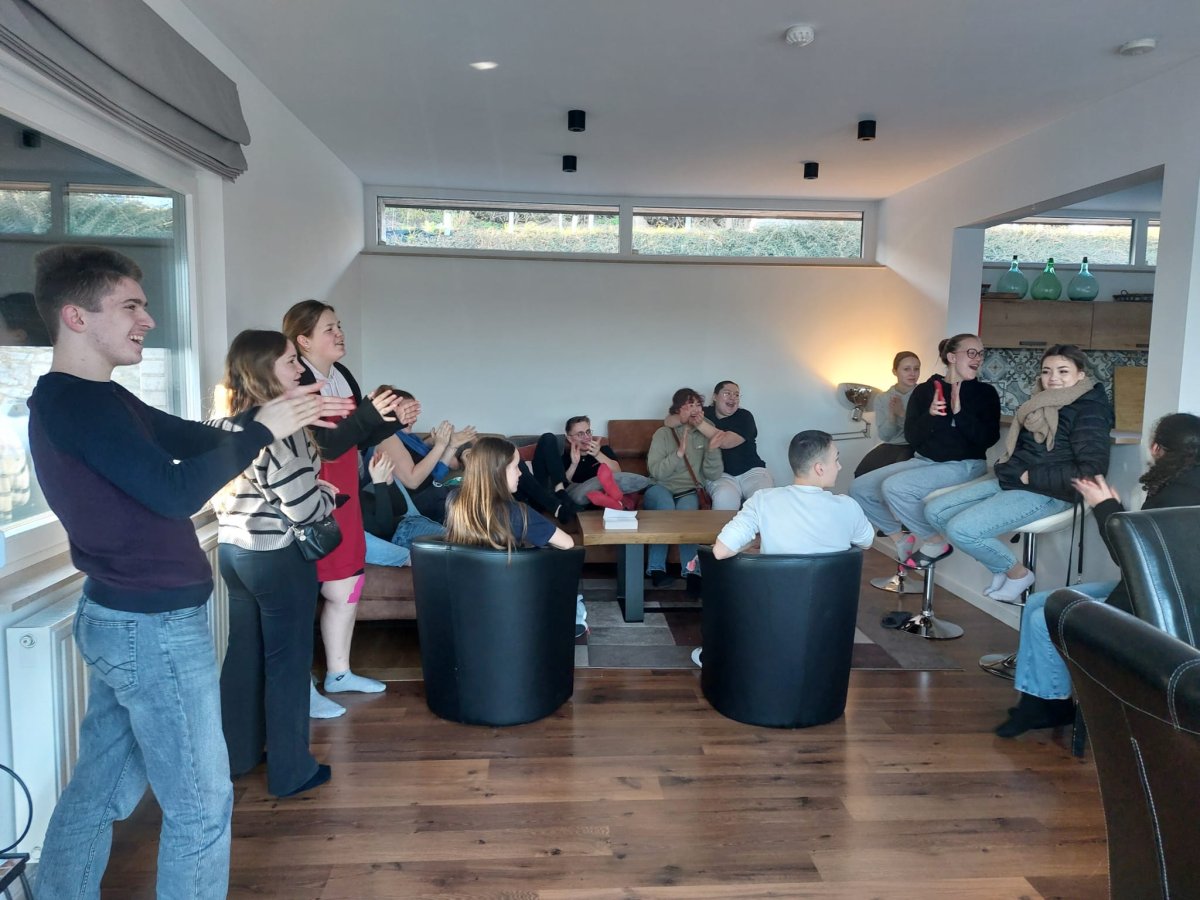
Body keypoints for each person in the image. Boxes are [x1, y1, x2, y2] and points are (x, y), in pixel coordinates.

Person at [28, 245, 340, 898]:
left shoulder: (97, 398)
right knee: (200, 807)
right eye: (130, 306)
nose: (147, 320)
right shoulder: (78, 405)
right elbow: (174, 494)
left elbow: (196, 439)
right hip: (151, 629)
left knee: (99, 790)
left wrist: (272, 415)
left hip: (127, 619)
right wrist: (265, 429)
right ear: (76, 316)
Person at [995, 412, 1200, 738]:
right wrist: (1112, 507)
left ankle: (1046, 706)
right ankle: (1045, 703)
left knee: (1043, 617)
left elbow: (1131, 558)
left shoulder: (1175, 495)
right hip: (1153, 592)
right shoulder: (1181, 484)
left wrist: (1106, 506)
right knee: (1039, 602)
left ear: (1156, 448)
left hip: (1155, 609)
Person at [210, 330, 349, 797]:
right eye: (290, 361)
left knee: (243, 656)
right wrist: (325, 497)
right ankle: (292, 771)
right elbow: (304, 510)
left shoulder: (223, 422)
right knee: (288, 665)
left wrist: (310, 490)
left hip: (233, 552)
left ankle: (238, 755)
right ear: (263, 370)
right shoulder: (281, 430)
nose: (299, 369)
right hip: (277, 557)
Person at [283, 299, 419, 719]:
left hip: (346, 496)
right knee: (306, 592)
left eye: (339, 325)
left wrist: (393, 420)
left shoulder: (342, 375)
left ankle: (339, 673)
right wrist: (369, 415)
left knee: (348, 586)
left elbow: (358, 439)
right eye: (329, 328)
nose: (339, 333)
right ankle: (299, 687)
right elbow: (323, 445)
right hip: (312, 499)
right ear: (304, 340)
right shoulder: (298, 381)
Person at [925, 345, 1112, 602]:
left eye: (1063, 371)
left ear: (1080, 375)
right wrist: (1011, 470)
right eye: (1046, 371)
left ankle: (1018, 574)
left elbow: (1092, 471)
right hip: (1017, 480)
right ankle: (1001, 567)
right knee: (934, 511)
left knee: (962, 530)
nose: (1053, 378)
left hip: (1052, 492)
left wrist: (1030, 476)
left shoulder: (1090, 410)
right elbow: (1024, 451)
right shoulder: (1037, 403)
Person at [688, 431, 874, 667]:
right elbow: (866, 542)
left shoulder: (764, 500)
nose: (839, 466)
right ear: (819, 468)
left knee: (723, 571)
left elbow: (721, 551)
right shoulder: (849, 507)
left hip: (774, 614)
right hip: (828, 617)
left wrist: (755, 541)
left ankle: (723, 653)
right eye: (836, 459)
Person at [849, 333, 1001, 568]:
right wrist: (931, 416)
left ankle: (934, 541)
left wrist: (960, 413)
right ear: (952, 357)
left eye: (981, 353)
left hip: (966, 464)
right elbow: (913, 437)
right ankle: (900, 538)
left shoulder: (985, 393)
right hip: (923, 460)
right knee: (859, 488)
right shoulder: (924, 391)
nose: (978, 358)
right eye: (972, 352)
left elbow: (988, 439)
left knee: (895, 487)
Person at [645, 387, 724, 594]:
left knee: (687, 514)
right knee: (665, 506)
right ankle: (656, 569)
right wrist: (678, 454)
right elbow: (656, 472)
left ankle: (692, 572)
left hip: (688, 489)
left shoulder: (706, 432)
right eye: (690, 405)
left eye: (698, 405)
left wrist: (712, 450)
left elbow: (713, 474)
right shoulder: (663, 433)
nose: (695, 409)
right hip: (659, 487)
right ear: (678, 409)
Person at [445, 435, 574, 551]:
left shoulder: (454, 499)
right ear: (499, 471)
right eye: (516, 466)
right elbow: (567, 543)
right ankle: (556, 504)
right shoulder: (517, 513)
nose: (520, 473)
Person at [664, 381, 773, 510]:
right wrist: (687, 417)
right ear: (715, 397)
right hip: (720, 474)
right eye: (727, 393)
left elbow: (726, 442)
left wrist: (699, 424)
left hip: (752, 471)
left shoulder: (745, 416)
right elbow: (669, 421)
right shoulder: (704, 412)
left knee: (763, 500)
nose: (733, 397)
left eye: (736, 395)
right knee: (724, 498)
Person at [375, 386, 474, 523]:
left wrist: (452, 445)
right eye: (408, 411)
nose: (414, 418)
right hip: (419, 507)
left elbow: (435, 474)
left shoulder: (410, 438)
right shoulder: (387, 438)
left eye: (415, 412)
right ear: (390, 411)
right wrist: (440, 445)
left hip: (435, 496)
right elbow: (413, 481)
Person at [531, 415, 650, 512]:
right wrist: (574, 464)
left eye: (588, 432)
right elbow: (565, 484)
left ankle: (612, 501)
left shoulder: (604, 450)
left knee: (611, 483)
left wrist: (597, 454)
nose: (586, 437)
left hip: (602, 497)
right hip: (579, 497)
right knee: (585, 490)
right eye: (580, 434)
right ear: (570, 438)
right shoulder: (565, 457)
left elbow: (618, 472)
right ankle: (608, 499)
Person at [361, 448, 446, 567]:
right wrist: (380, 484)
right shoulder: (346, 510)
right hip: (404, 536)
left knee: (466, 543)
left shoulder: (358, 492)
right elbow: (384, 528)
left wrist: (389, 482)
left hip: (412, 522)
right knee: (464, 546)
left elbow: (401, 510)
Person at [854, 351, 921, 477]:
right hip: (892, 445)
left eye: (916, 369)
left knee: (896, 474)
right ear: (895, 371)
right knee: (862, 473)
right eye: (906, 369)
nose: (912, 373)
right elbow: (885, 436)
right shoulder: (882, 398)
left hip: (917, 446)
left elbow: (921, 432)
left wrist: (901, 413)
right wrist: (891, 416)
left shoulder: (925, 394)